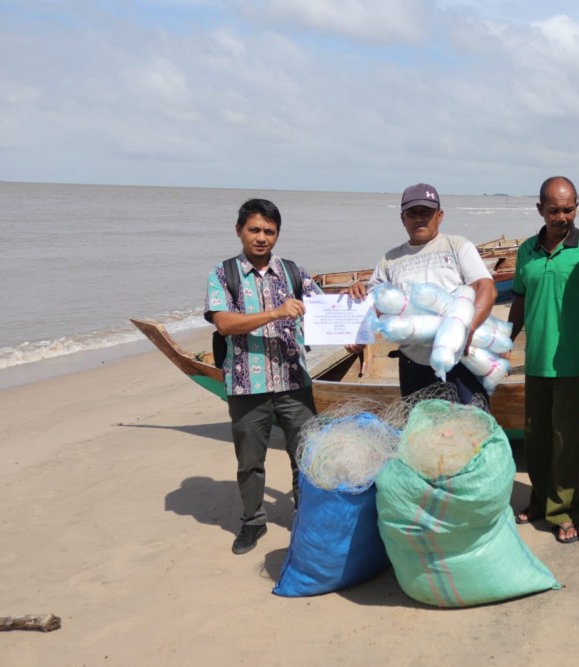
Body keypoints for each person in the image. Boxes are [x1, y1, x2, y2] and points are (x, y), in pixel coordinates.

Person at [205, 198, 322, 555]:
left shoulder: (293, 272)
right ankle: (253, 521)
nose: (261, 238)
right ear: (239, 230)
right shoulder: (223, 274)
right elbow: (224, 323)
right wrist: (276, 313)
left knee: (305, 455)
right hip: (246, 385)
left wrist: (352, 317)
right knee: (250, 462)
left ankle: (306, 515)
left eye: (269, 231)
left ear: (277, 235)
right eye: (254, 230)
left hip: (294, 381)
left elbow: (323, 311)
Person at [507, 176, 579, 544]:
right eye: (553, 211)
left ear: (576, 207)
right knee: (536, 439)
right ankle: (539, 500)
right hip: (535, 361)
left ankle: (564, 511)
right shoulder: (526, 251)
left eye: (568, 210)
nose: (561, 217)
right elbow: (519, 300)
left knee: (566, 442)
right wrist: (504, 341)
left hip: (573, 364)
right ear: (540, 210)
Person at [347, 183, 498, 406]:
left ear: (440, 215)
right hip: (413, 366)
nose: (419, 218)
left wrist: (467, 330)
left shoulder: (457, 246)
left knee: (470, 425)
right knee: (422, 427)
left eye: (426, 212)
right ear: (403, 219)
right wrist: (354, 298)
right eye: (412, 213)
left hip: (460, 361)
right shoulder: (390, 260)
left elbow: (487, 288)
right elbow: (374, 306)